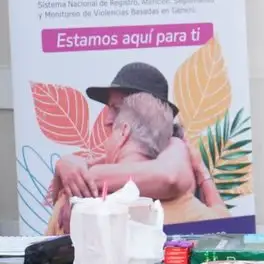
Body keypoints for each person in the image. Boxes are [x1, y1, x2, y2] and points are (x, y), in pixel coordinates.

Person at [47, 91, 229, 234]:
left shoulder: (73, 202)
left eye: (116, 110)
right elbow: (227, 228)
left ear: (123, 132)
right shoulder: (189, 208)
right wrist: (201, 170)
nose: (107, 121)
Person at [47, 62, 224, 209]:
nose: (107, 120)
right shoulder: (113, 159)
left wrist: (85, 179)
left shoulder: (175, 146)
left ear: (147, 114)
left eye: (117, 109)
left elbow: (168, 176)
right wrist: (66, 164)